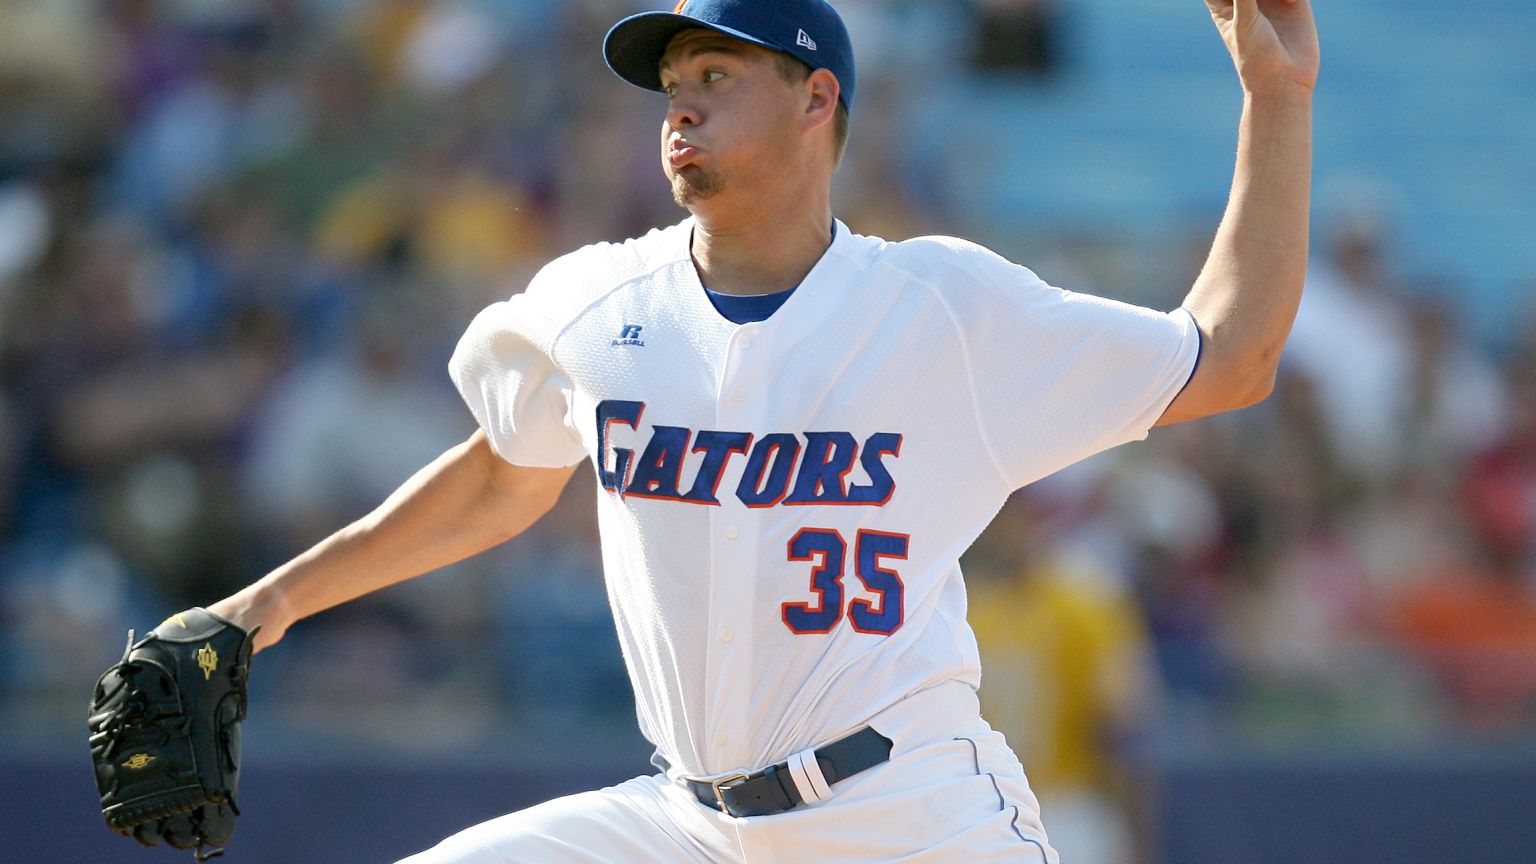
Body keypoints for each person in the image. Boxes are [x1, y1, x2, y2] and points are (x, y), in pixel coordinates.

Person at [205, 0, 1319, 860]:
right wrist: (258, 610)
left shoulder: (942, 311)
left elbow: (1232, 356)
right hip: (681, 823)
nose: (678, 106)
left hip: (907, 814)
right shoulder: (598, 305)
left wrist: (1277, 95)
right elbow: (506, 477)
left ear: (816, 99)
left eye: (716, 75)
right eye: (672, 85)